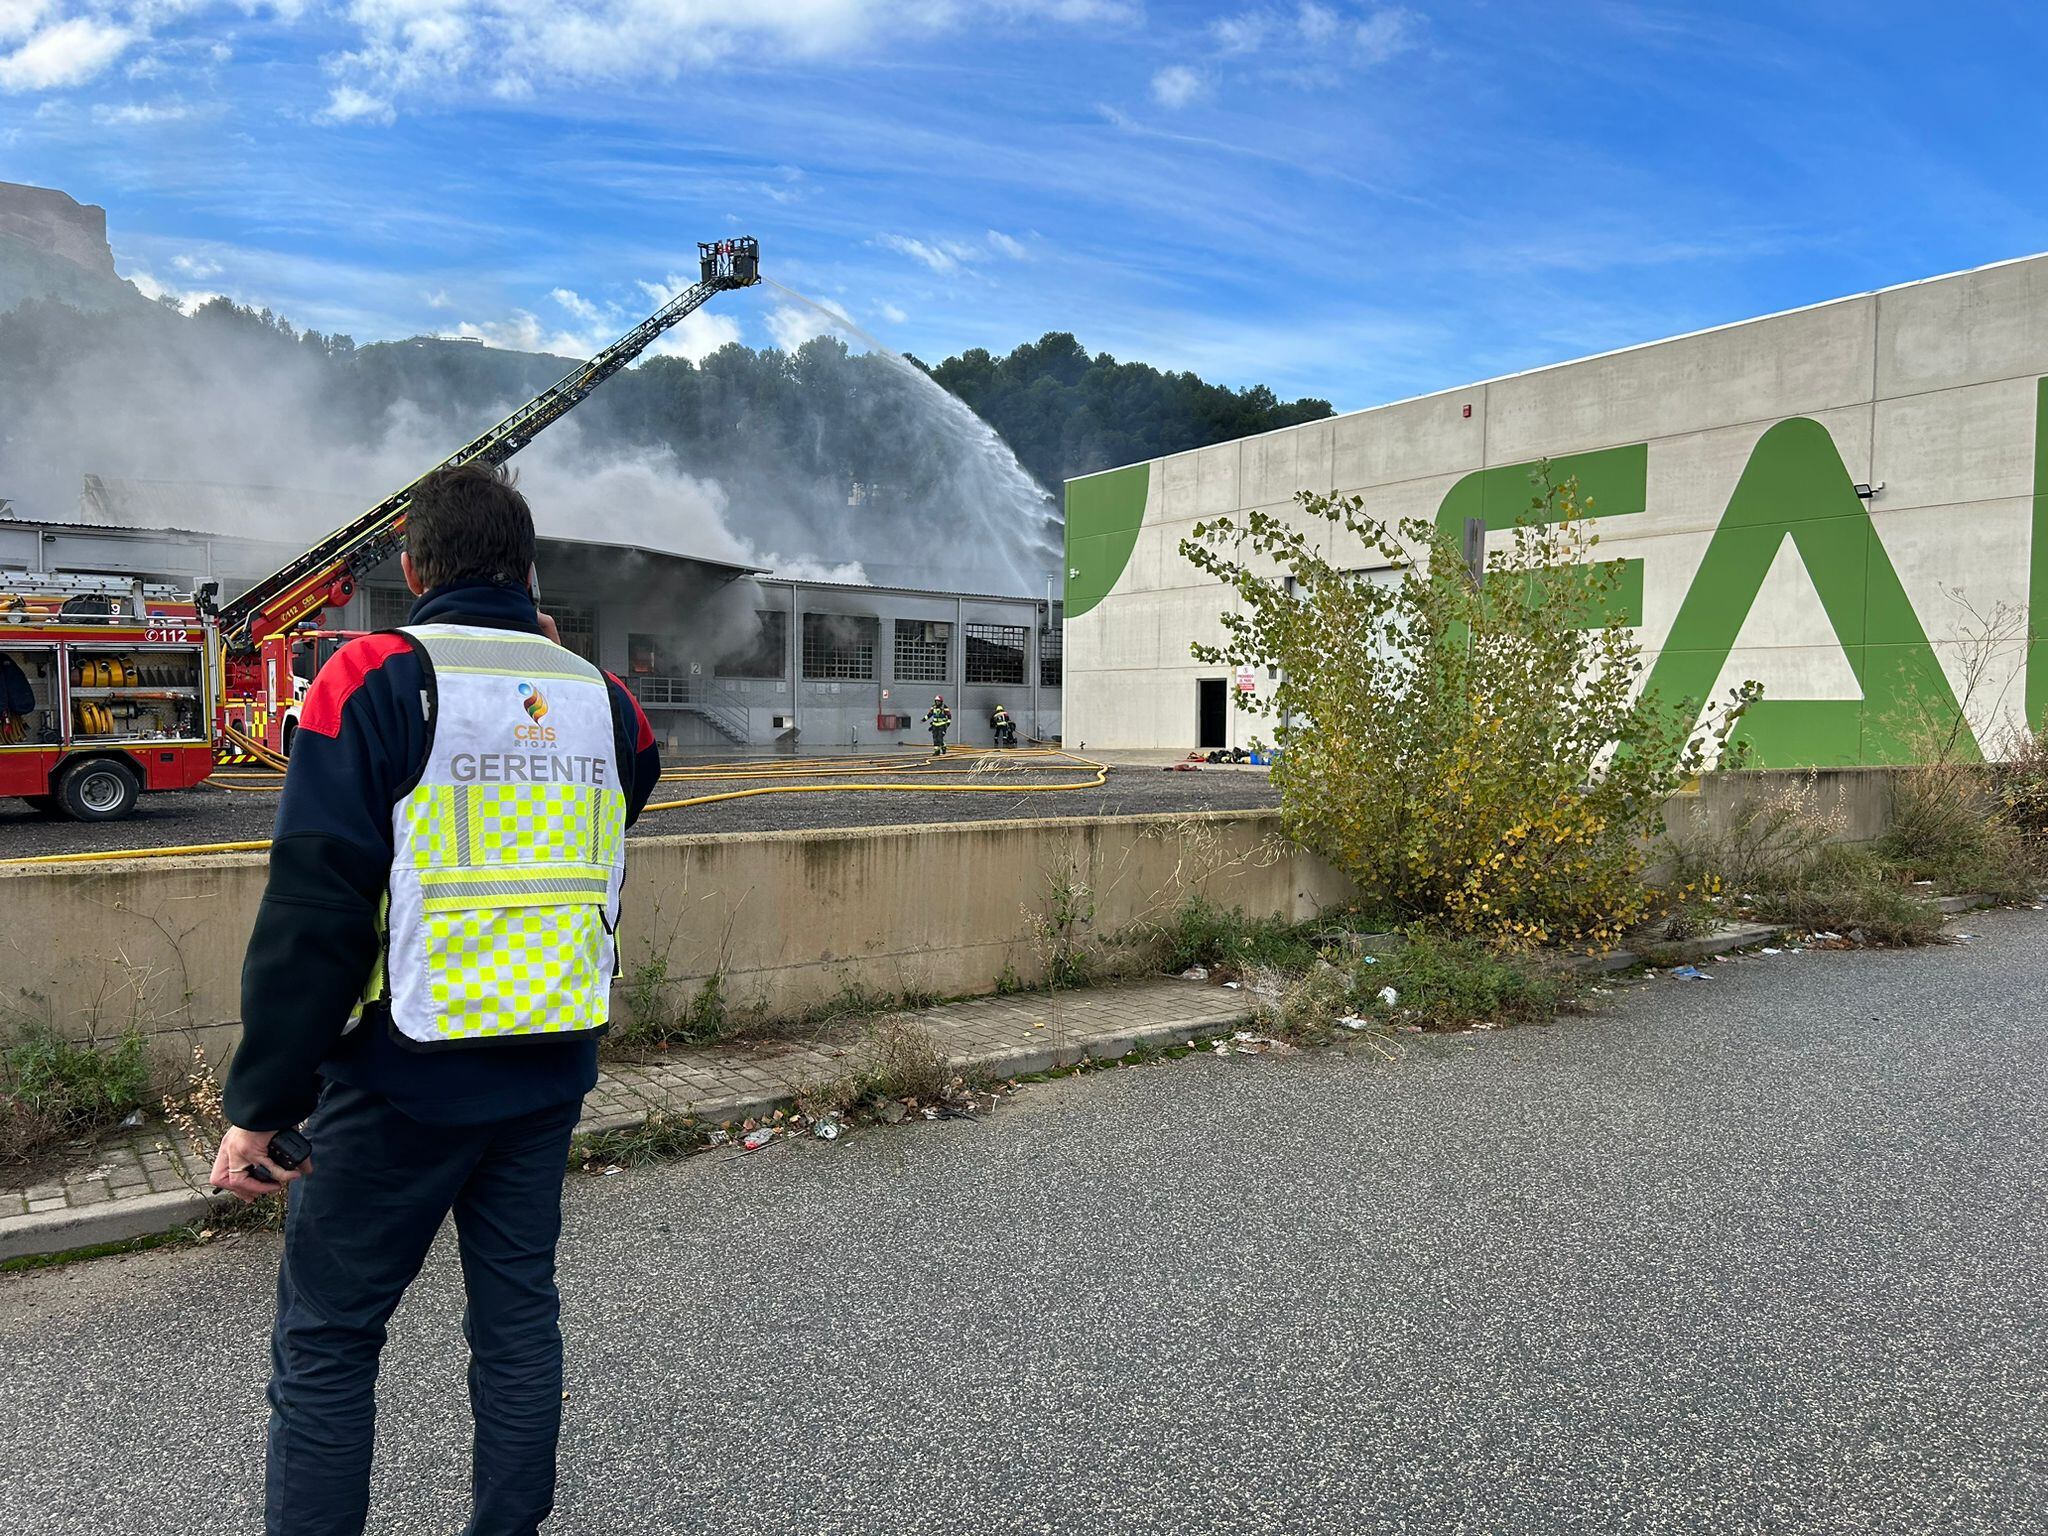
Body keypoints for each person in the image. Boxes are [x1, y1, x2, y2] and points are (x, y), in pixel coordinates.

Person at [214, 461, 662, 1536]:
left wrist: (259, 1104)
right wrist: (541, 670)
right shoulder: (606, 704)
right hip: (548, 1064)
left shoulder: (368, 679)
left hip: (398, 1078)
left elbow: (316, 912)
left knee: (328, 1343)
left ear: (412, 569)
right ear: (529, 572)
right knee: (516, 1325)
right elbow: (622, 794)